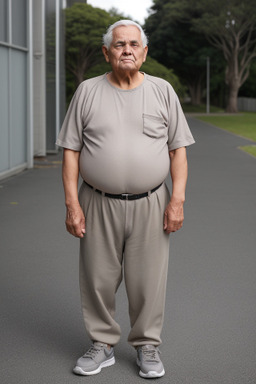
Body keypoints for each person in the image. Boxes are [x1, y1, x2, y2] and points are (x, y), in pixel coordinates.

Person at [56, 20, 195, 379]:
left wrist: (176, 200)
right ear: (107, 52)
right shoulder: (87, 91)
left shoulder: (163, 91)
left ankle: (147, 345)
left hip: (152, 202)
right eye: (119, 45)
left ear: (145, 52)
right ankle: (102, 345)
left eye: (134, 44)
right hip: (96, 203)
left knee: (148, 280)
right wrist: (72, 205)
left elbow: (178, 150)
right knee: (98, 278)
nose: (127, 50)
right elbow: (71, 151)